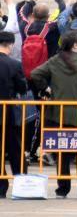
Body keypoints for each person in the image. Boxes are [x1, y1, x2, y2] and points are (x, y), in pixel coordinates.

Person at [30, 29, 77, 198]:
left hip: (57, 113)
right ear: (76, 45)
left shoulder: (55, 60)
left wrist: (48, 89)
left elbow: (35, 74)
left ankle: (62, 189)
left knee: (62, 153)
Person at [0, 31, 27, 199]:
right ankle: (22, 184)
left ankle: (1, 187)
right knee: (15, 148)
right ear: (10, 44)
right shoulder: (14, 64)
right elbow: (22, 88)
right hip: (8, 110)